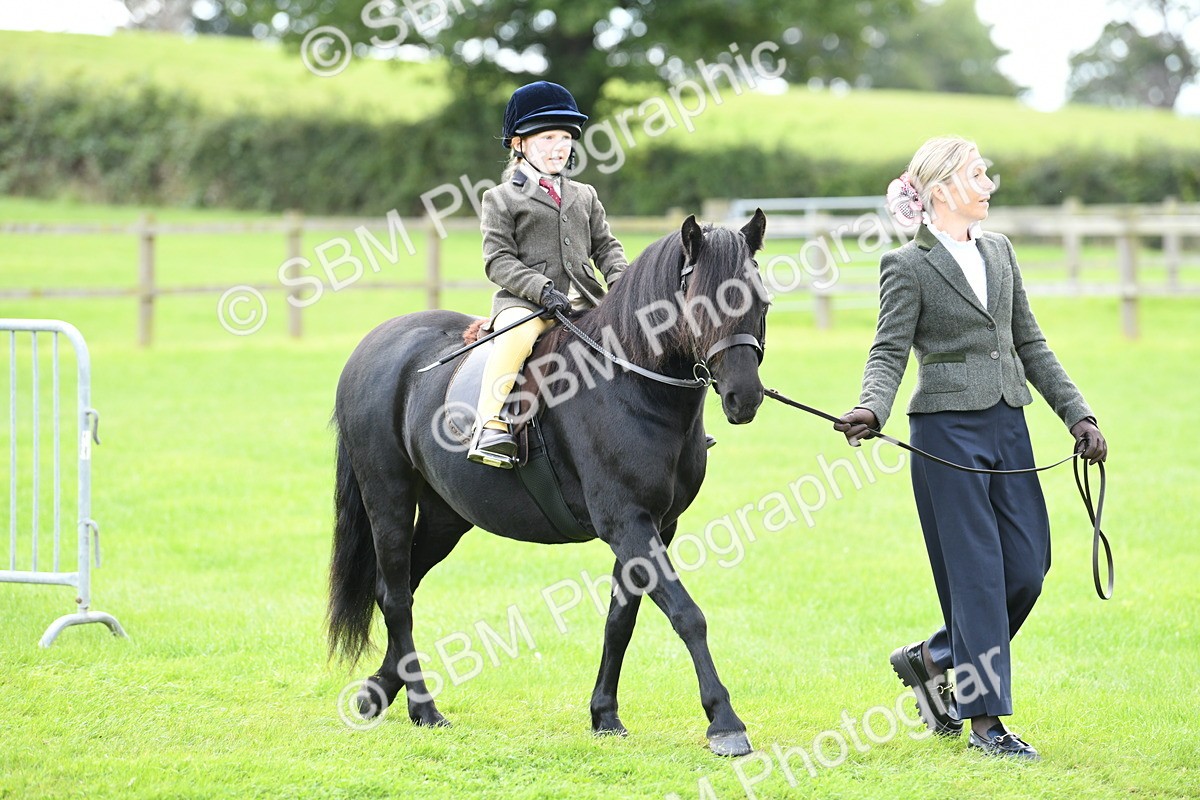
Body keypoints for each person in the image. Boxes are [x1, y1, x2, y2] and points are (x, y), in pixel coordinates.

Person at [834, 135, 1107, 760]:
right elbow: (888, 349)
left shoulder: (1000, 251)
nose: (988, 184)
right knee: (978, 577)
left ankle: (932, 658)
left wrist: (1079, 414)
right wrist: (871, 407)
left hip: (1010, 425)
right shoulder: (907, 265)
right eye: (977, 174)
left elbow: (1030, 342)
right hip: (946, 435)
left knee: (1028, 568)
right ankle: (986, 725)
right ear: (942, 191)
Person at [468, 81, 627, 468]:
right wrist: (541, 289)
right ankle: (490, 425)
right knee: (516, 337)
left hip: (584, 300)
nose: (560, 147)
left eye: (566, 138)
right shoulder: (500, 199)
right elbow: (498, 260)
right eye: (548, 138)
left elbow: (606, 247)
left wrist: (623, 284)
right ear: (518, 144)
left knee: (640, 333)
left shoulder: (584, 194)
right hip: (527, 304)